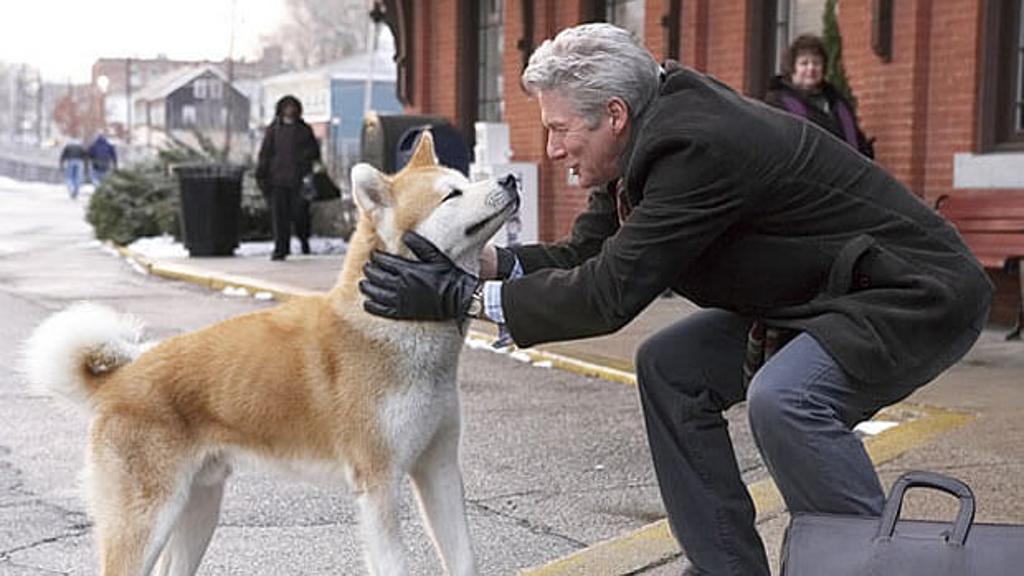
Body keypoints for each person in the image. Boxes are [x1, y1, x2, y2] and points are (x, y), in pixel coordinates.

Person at [358, 23, 992, 575]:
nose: (551, 151)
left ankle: (867, 566)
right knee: (671, 367)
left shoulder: (696, 146)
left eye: (558, 130)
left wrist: (460, 298)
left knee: (787, 400)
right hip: (820, 295)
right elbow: (588, 255)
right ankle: (725, 568)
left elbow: (609, 294)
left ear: (613, 115)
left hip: (911, 294)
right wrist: (476, 263)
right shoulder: (643, 135)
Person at [764, 34, 874, 158]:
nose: (811, 68)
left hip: (846, 173)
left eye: (816, 63)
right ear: (792, 68)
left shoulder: (838, 102)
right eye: (804, 63)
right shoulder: (778, 103)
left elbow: (856, 140)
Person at [255, 94, 321, 261]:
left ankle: (304, 240)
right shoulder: (273, 130)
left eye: (292, 107)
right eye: (286, 107)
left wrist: (303, 162)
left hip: (298, 181)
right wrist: (262, 175)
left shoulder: (304, 130)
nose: (289, 110)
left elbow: (314, 153)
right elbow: (265, 154)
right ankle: (281, 249)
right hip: (277, 181)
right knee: (279, 217)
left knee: (300, 215)